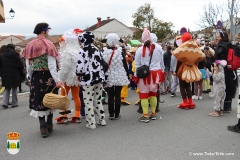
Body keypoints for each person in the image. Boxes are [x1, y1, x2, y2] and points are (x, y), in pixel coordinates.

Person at [23, 22, 63, 138]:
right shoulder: (48, 44)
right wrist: (57, 79)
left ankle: (42, 127)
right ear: (44, 31)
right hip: (47, 76)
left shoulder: (29, 45)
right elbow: (52, 65)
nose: (48, 33)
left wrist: (30, 77)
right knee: (50, 98)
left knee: (39, 100)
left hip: (36, 77)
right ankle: (50, 125)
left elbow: (28, 63)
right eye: (48, 31)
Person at [76, 31, 106, 129]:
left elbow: (80, 68)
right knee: (98, 100)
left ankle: (91, 123)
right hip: (98, 78)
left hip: (87, 80)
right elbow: (102, 63)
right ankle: (102, 120)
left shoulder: (82, 51)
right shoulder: (97, 49)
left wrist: (78, 75)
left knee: (88, 101)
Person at [134, 28, 165, 123]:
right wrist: (162, 73)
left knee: (143, 95)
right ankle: (154, 113)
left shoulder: (139, 49)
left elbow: (137, 65)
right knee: (153, 94)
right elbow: (161, 63)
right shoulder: (159, 48)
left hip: (144, 75)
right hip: (156, 74)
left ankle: (145, 115)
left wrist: (136, 76)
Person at [54, 29, 82, 124]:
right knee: (76, 96)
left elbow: (65, 68)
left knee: (63, 96)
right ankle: (77, 115)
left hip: (68, 78)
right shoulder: (79, 51)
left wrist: (59, 78)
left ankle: (64, 116)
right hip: (76, 78)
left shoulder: (67, 52)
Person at [172, 32, 205, 109]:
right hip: (191, 68)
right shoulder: (194, 46)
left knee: (182, 86)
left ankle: (185, 103)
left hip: (183, 69)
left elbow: (179, 60)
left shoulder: (183, 48)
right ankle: (190, 102)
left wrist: (177, 71)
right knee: (188, 86)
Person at [102, 33, 130, 120]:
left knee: (110, 95)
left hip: (108, 75)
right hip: (119, 75)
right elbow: (125, 64)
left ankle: (111, 114)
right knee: (117, 95)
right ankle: (117, 114)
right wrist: (127, 75)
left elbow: (102, 65)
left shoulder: (104, 51)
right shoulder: (120, 51)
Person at [214, 31, 238, 113]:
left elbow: (219, 59)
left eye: (218, 37)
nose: (217, 38)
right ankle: (228, 106)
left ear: (222, 38)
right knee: (230, 87)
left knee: (223, 88)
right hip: (231, 70)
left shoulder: (221, 46)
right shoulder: (230, 45)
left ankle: (222, 107)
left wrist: (216, 63)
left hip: (224, 70)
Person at [0, 44, 23, 109]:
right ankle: (14, 103)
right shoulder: (16, 55)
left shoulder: (1, 55)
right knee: (14, 89)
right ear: (13, 48)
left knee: (7, 88)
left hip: (5, 74)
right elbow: (21, 65)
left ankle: (5, 103)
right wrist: (19, 69)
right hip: (14, 74)